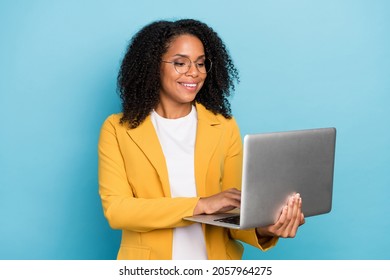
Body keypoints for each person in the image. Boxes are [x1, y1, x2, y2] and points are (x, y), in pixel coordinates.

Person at [98, 19, 305, 260]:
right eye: (180, 63)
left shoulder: (223, 127)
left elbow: (235, 210)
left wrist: (265, 229)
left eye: (200, 63)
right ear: (153, 66)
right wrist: (201, 204)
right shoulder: (118, 129)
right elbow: (118, 211)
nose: (194, 72)